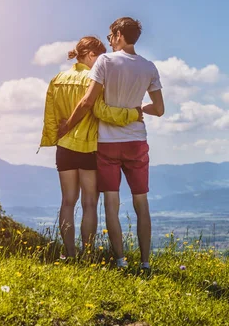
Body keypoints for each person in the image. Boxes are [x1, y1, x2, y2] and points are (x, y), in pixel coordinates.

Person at [58, 17, 164, 270]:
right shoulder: (149, 67)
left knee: (111, 205)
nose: (110, 40)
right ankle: (146, 263)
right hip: (137, 141)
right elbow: (159, 109)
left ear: (118, 35)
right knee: (141, 203)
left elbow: (87, 101)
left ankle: (120, 261)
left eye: (110, 36)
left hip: (107, 143)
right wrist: (137, 108)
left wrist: (67, 127)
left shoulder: (105, 61)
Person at [40, 36, 142, 259]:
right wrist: (133, 113)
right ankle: (87, 255)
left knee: (67, 202)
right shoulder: (94, 80)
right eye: (99, 56)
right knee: (89, 203)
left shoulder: (57, 79)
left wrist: (54, 137)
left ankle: (69, 254)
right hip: (89, 147)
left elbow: (51, 116)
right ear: (90, 55)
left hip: (65, 147)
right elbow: (101, 111)